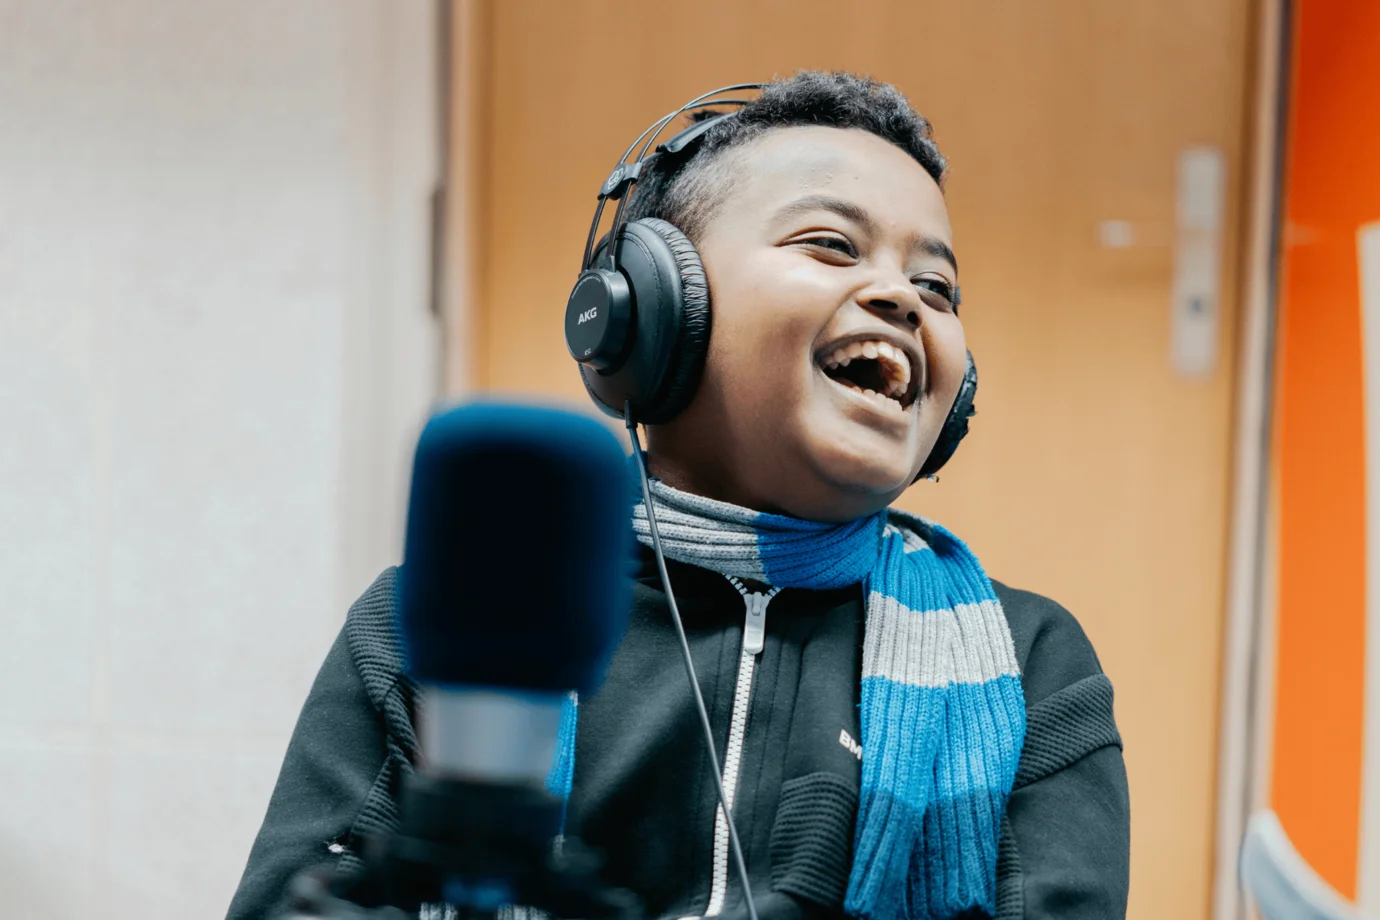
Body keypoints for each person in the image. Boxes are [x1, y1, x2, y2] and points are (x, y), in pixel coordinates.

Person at [227, 71, 1130, 920]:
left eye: (937, 286)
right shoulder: (454, 627)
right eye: (831, 244)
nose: (902, 297)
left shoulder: (1029, 663)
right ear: (654, 311)